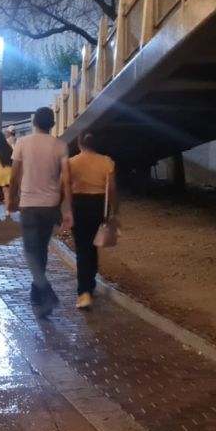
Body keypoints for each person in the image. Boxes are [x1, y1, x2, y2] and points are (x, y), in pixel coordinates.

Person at [8, 107, 73, 318]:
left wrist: (11, 198)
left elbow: (14, 174)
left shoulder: (23, 143)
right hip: (50, 204)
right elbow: (67, 179)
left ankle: (46, 291)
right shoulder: (60, 145)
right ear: (52, 124)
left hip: (29, 203)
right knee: (42, 250)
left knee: (30, 251)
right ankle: (38, 301)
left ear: (34, 122)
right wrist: (67, 208)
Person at [69, 131, 118, 309]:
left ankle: (84, 292)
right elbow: (111, 190)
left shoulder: (71, 162)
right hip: (98, 205)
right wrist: (114, 210)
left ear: (79, 144)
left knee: (82, 249)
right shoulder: (106, 161)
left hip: (78, 204)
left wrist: (64, 208)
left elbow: (64, 187)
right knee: (92, 246)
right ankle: (90, 284)